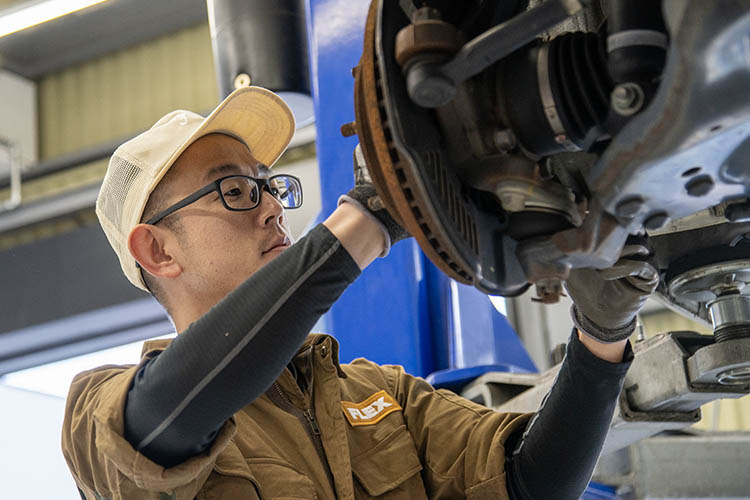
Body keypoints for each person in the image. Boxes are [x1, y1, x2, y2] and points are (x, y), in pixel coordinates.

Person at [61, 86, 658, 500]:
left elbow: (529, 483)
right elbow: (167, 414)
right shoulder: (100, 411)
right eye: (235, 191)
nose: (272, 207)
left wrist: (601, 334)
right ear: (158, 251)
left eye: (270, 187)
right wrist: (368, 219)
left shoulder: (382, 396)